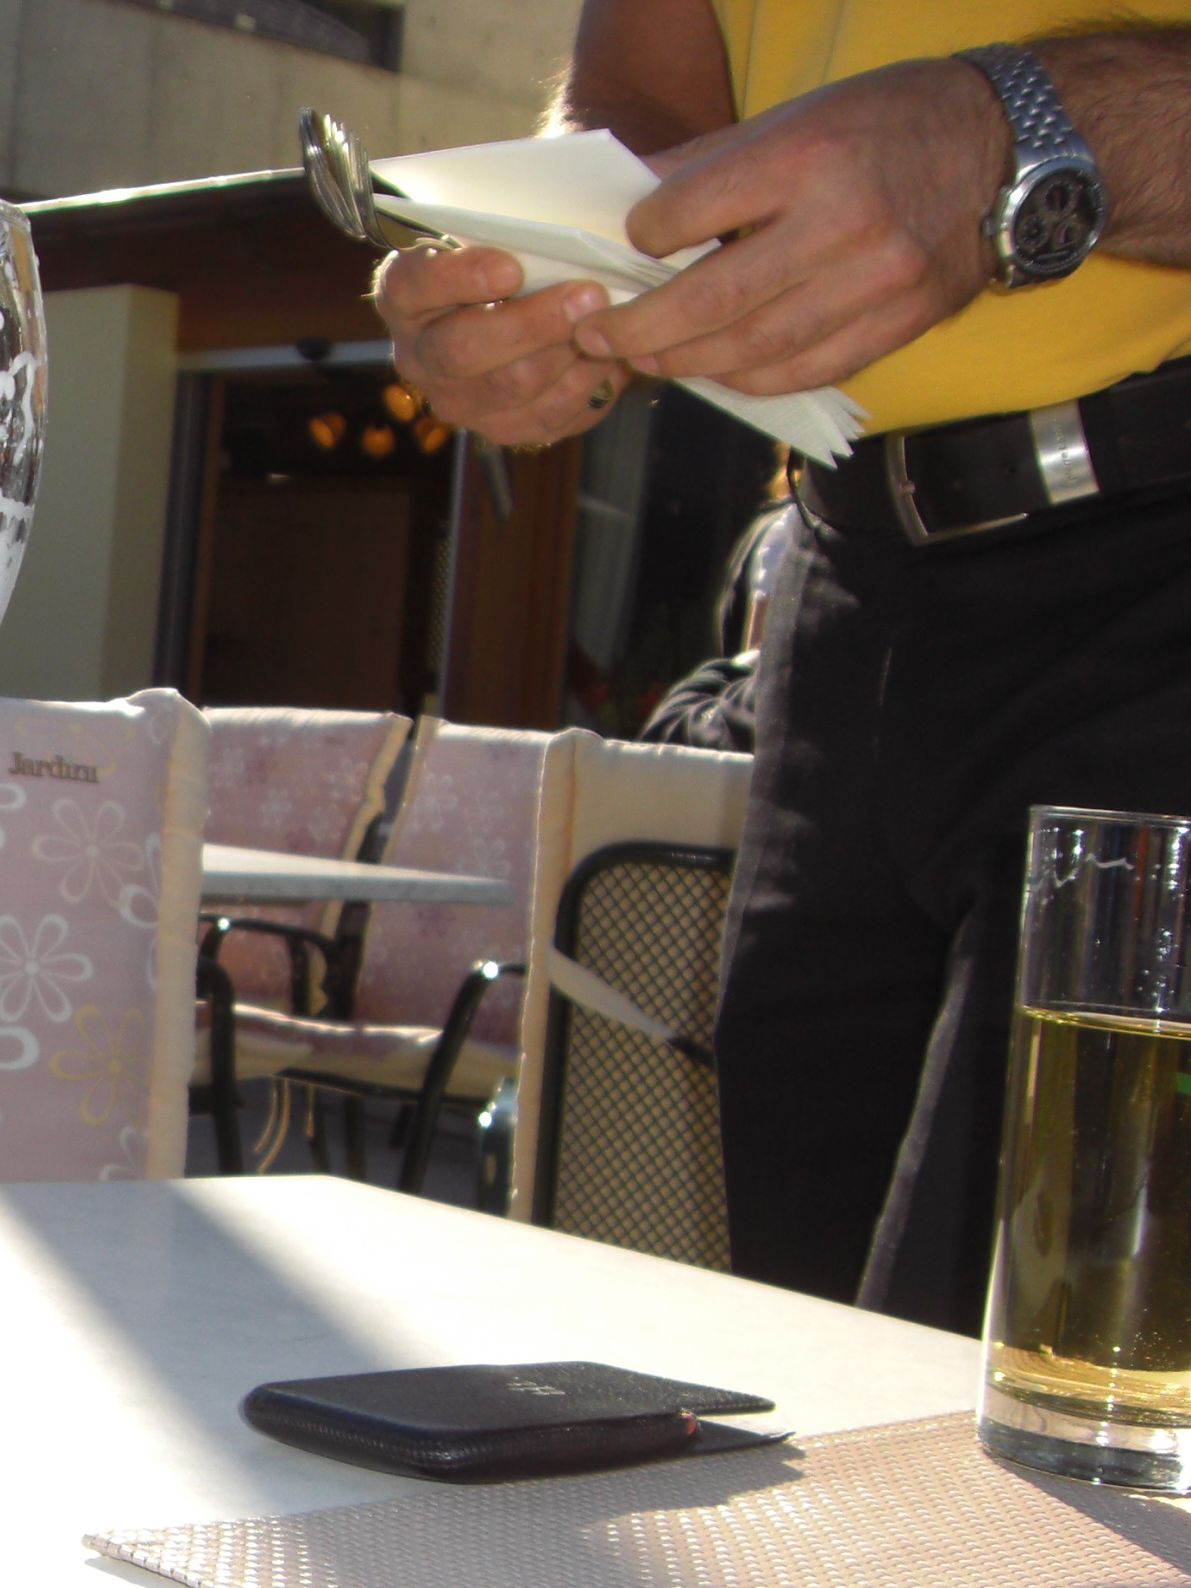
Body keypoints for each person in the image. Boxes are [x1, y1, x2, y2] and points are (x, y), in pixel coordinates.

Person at [379, 3, 1191, 1333]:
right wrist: (562, 281)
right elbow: (644, 112)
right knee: (823, 1350)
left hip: (1161, 559)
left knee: (1066, 1375)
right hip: (846, 581)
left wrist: (1012, 129)